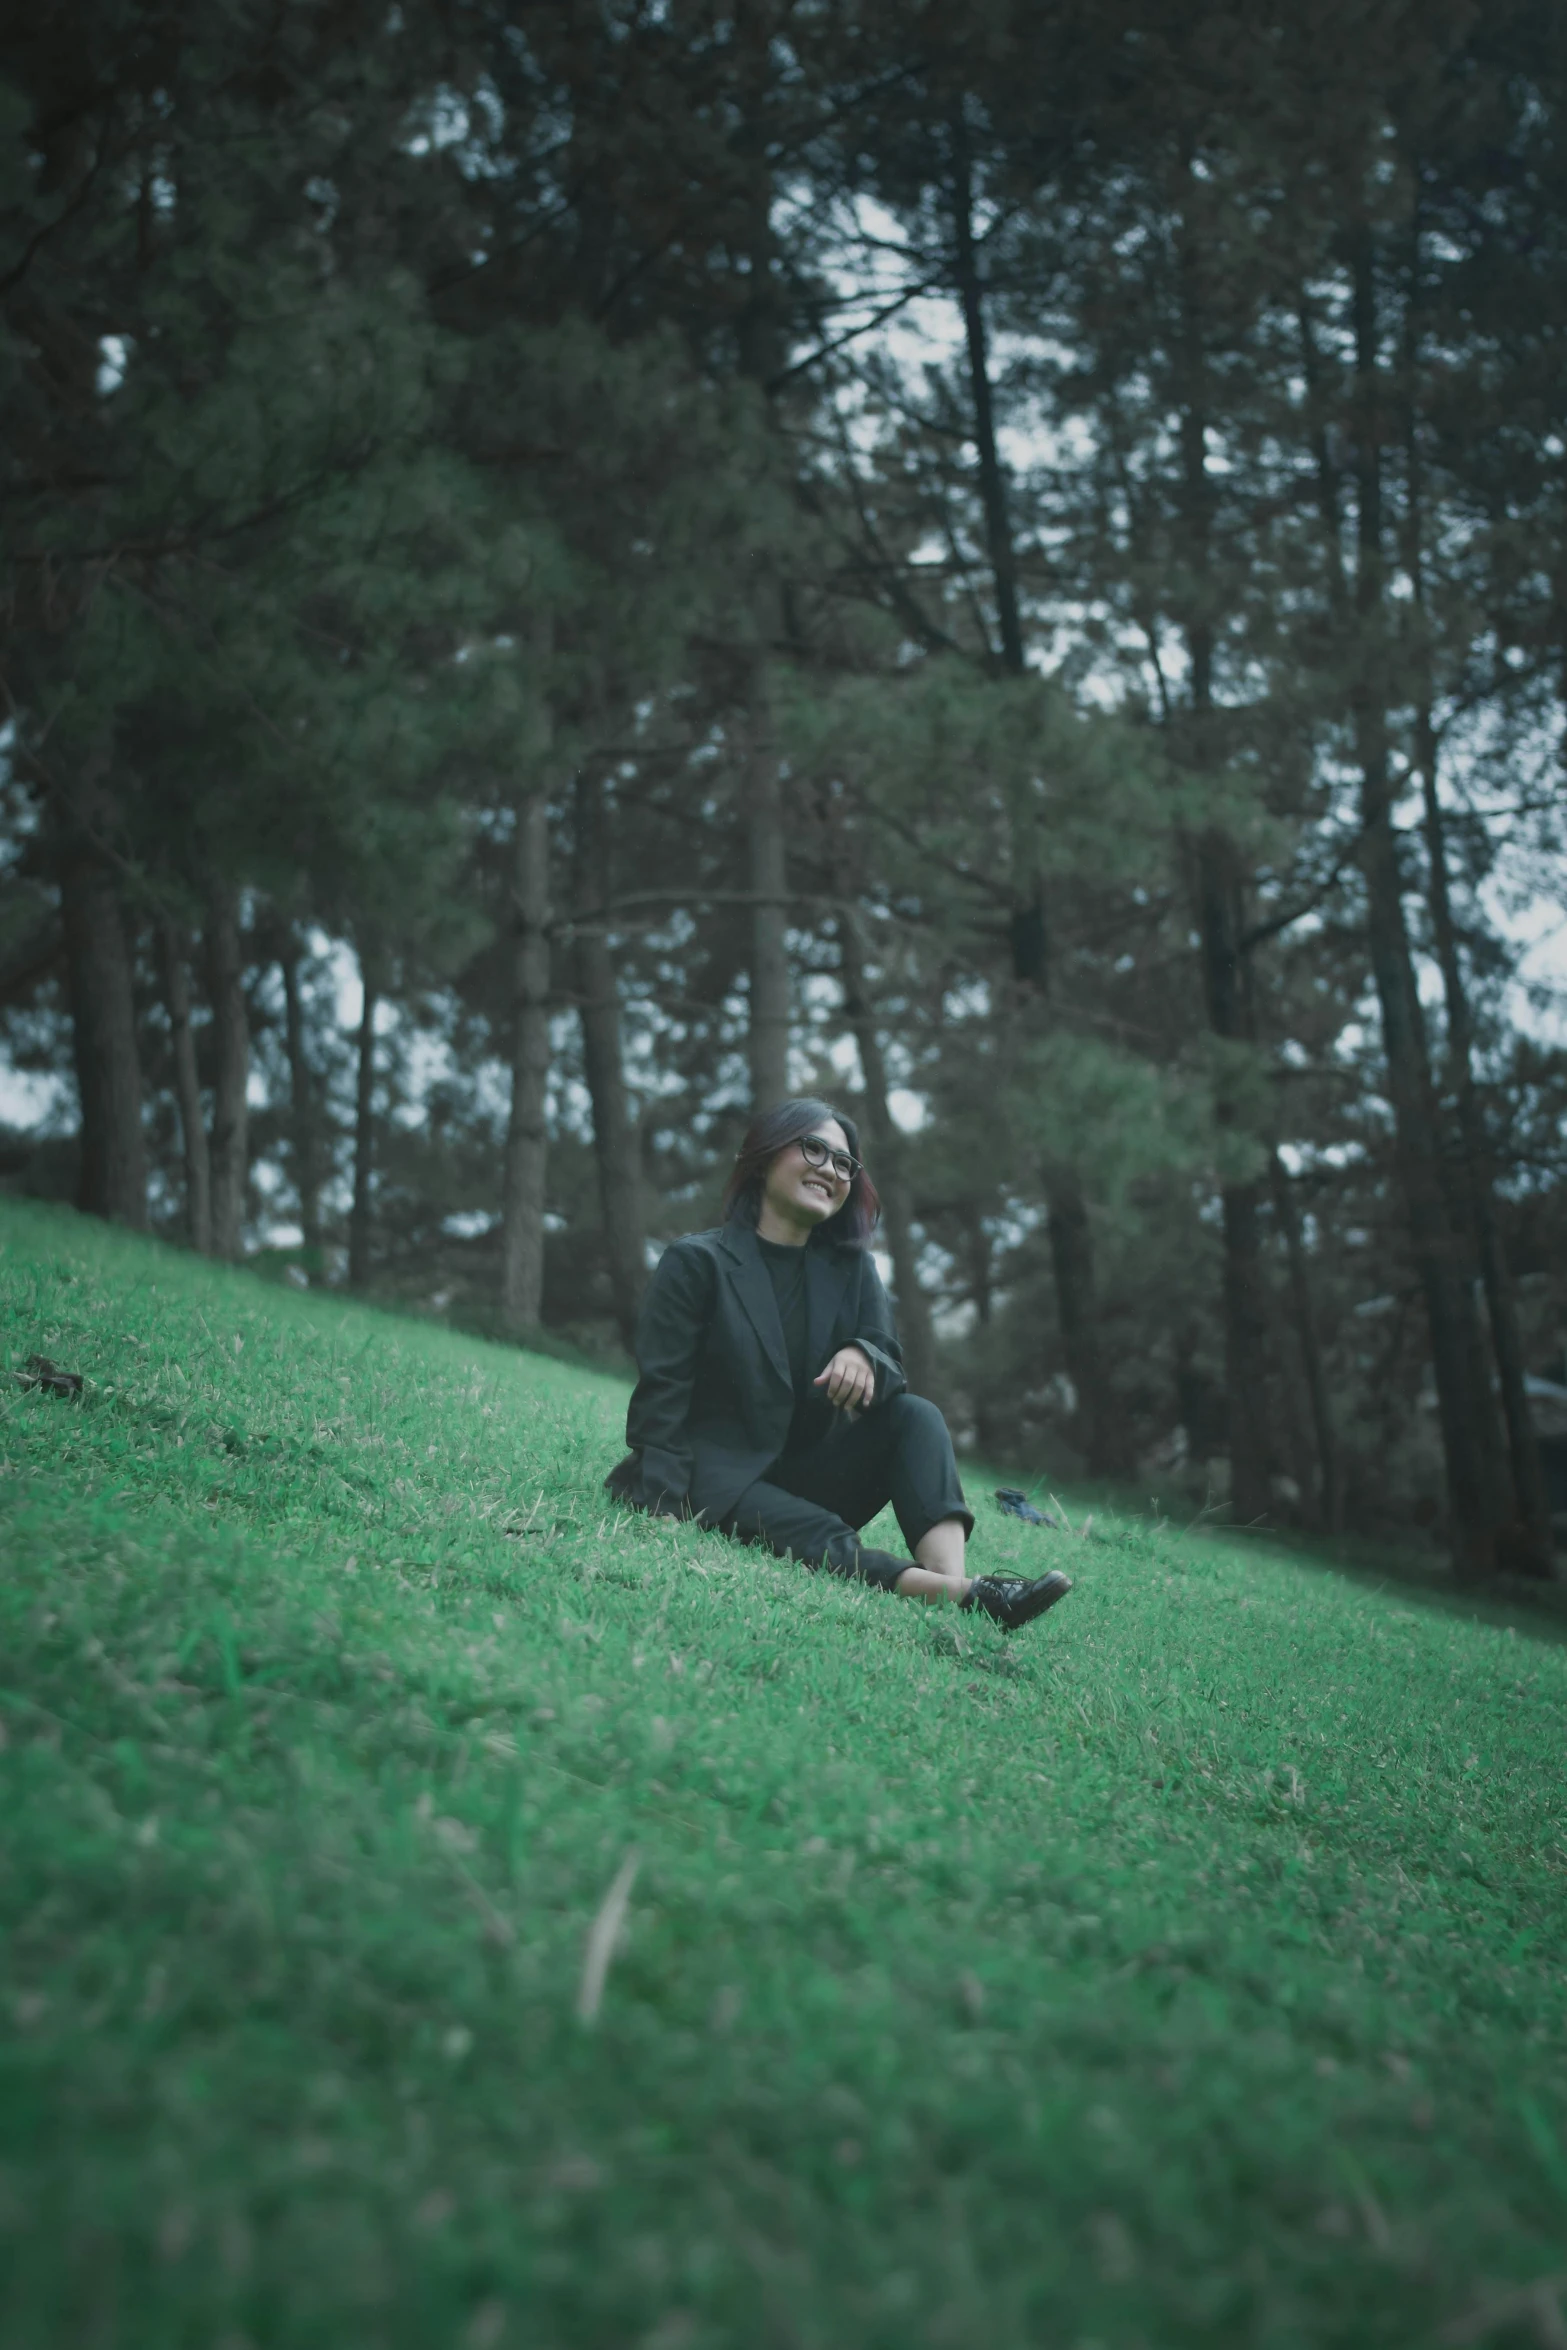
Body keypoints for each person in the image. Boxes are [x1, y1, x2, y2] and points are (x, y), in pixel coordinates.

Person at [605, 1097, 1073, 1632]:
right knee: (812, 1528)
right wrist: (662, 1505)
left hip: (806, 1470)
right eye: (813, 1149)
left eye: (843, 1162)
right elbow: (663, 1392)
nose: (829, 1168)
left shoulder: (851, 1270)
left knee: (918, 1417)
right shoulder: (697, 1262)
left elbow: (889, 1364)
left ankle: (958, 1584)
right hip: (711, 1480)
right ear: (761, 1158)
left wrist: (865, 1355)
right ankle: (955, 1597)